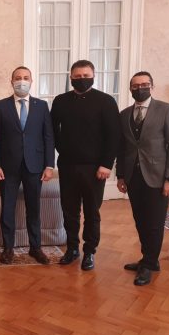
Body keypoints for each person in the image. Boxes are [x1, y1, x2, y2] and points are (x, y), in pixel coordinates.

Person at [51, 60, 121, 270]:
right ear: (71, 77)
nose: (82, 79)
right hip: (67, 166)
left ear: (93, 76)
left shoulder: (106, 101)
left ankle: (90, 251)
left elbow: (113, 136)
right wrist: (62, 150)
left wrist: (106, 164)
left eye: (86, 76)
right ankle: (72, 249)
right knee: (69, 211)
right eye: (77, 76)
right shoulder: (60, 101)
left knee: (92, 212)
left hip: (95, 168)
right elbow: (53, 131)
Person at [117, 71, 169, 286]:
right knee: (141, 220)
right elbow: (122, 148)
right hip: (133, 177)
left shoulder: (167, 110)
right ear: (130, 88)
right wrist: (120, 175)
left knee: (154, 222)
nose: (140, 88)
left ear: (152, 87)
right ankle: (148, 258)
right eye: (135, 85)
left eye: (144, 84)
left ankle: (149, 264)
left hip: (158, 177)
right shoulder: (124, 114)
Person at [0, 66, 55, 265]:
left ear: (31, 81)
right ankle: (8, 248)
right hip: (8, 167)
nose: (21, 81)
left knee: (33, 208)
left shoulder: (41, 106)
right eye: (18, 78)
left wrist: (49, 165)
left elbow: (48, 137)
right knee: (8, 208)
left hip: (35, 166)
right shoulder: (1, 106)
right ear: (11, 81)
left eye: (26, 78)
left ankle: (36, 248)